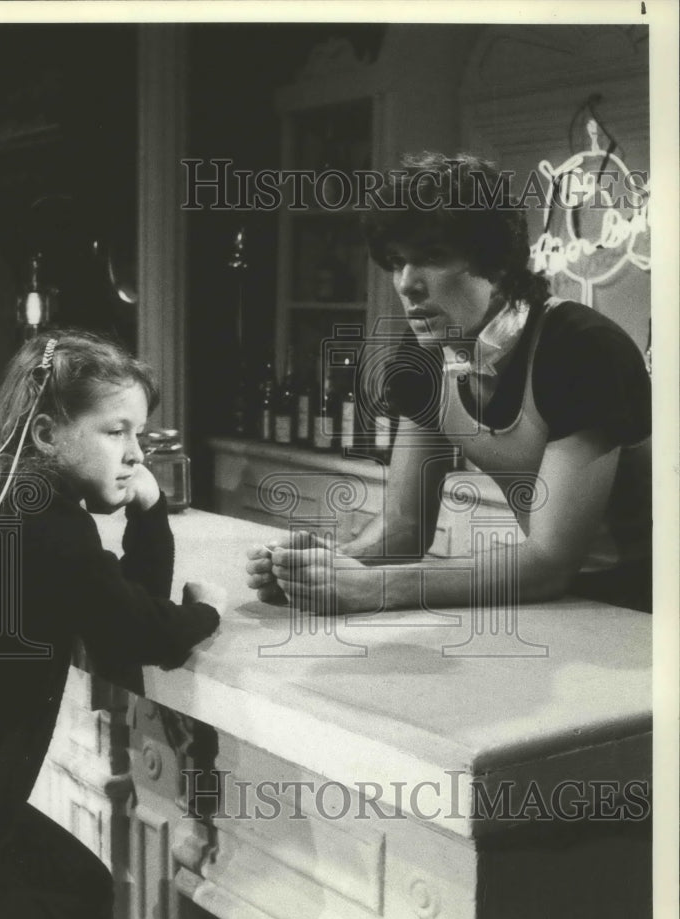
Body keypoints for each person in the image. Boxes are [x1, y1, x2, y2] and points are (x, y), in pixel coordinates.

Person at [246, 152, 652, 615]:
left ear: (498, 266)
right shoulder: (423, 352)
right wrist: (321, 568)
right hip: (557, 603)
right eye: (397, 262)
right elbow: (405, 527)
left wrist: (375, 589)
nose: (407, 284)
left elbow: (548, 562)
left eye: (433, 258)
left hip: (647, 604)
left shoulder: (582, 348)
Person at [0, 329, 226, 919]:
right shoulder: (48, 526)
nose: (136, 455)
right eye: (116, 431)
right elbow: (147, 635)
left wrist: (141, 516)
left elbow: (114, 613)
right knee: (80, 895)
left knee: (77, 891)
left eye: (139, 435)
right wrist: (207, 607)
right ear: (45, 435)